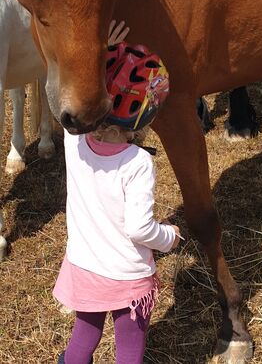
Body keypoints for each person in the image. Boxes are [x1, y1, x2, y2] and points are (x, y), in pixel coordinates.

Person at [54, 21, 181, 364]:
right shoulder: (138, 161)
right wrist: (168, 237)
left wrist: (103, 52)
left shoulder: (74, 143)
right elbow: (139, 228)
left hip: (83, 267)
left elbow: (73, 100)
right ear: (146, 113)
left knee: (83, 339)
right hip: (127, 277)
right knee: (129, 350)